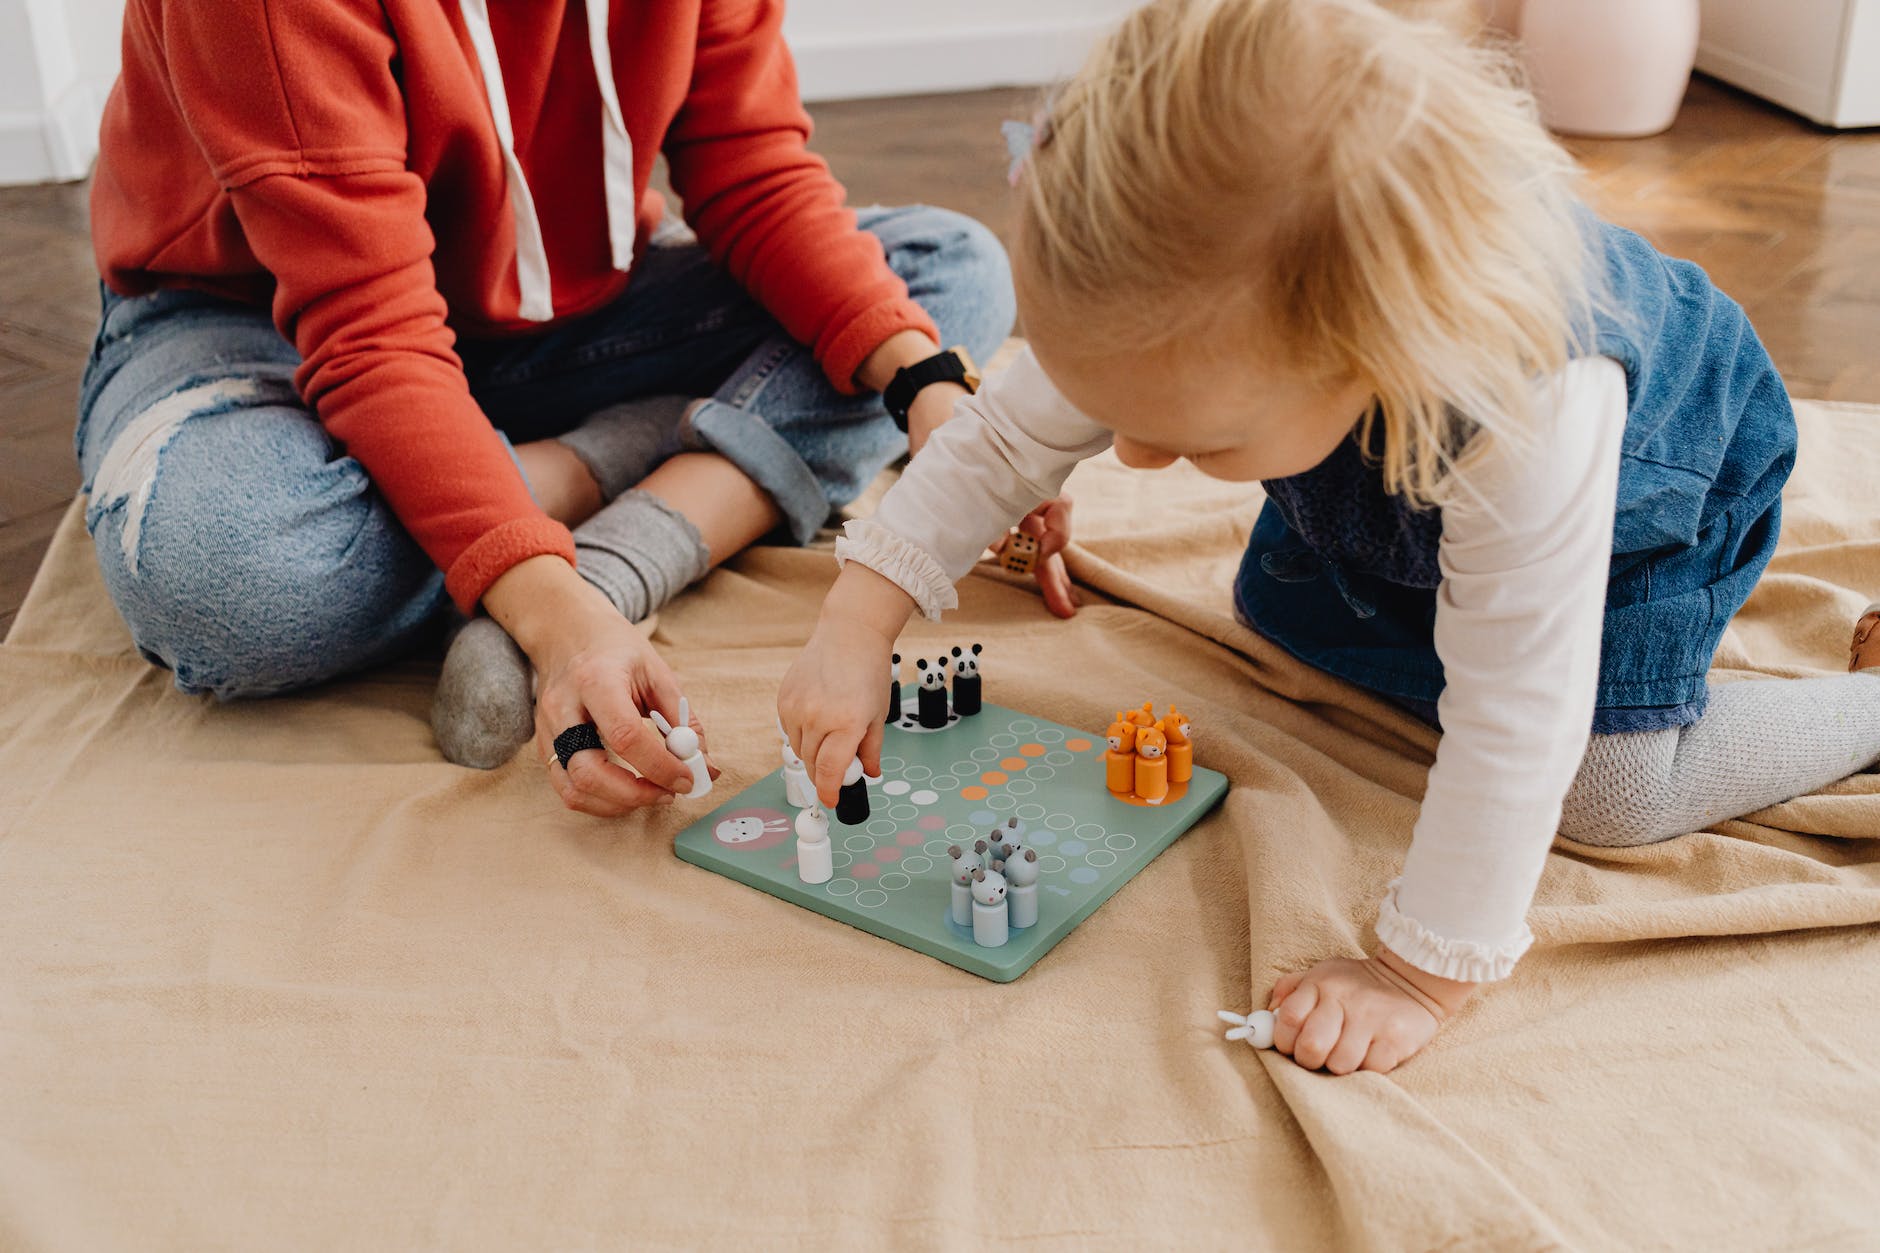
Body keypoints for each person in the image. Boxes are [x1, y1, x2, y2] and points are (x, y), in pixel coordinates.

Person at [776, 0, 1880, 1074]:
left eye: (1194, 440)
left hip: (1656, 515)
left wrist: (1418, 974)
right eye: (1123, 421)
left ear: (1368, 347)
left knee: (1605, 791)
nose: (1140, 463)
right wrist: (855, 618)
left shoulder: (1526, 404)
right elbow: (1000, 437)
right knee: (1278, 611)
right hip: (1409, 491)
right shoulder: (1187, 289)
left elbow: (1514, 707)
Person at [76, 0, 1021, 815]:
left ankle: (593, 547)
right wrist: (563, 633)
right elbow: (371, 331)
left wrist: (925, 386)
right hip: (267, 322)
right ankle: (601, 476)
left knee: (948, 284)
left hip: (555, 316)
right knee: (225, 574)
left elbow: (754, 170)